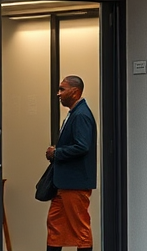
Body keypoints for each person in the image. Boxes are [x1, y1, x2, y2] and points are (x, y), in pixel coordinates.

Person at [45, 75, 97, 251]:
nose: (58, 93)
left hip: (75, 182)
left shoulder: (81, 115)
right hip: (64, 182)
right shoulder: (76, 113)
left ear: (75, 92)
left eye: (62, 89)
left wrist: (57, 152)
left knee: (80, 227)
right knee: (55, 223)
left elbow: (82, 146)